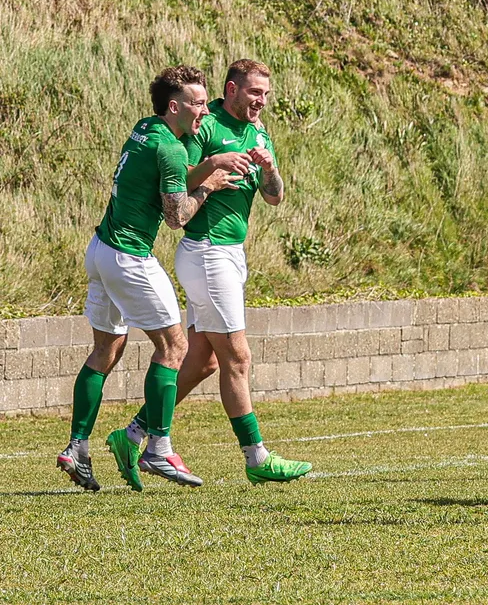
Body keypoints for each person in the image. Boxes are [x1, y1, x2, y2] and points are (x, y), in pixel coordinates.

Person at [108, 60, 312, 489]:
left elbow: (274, 197)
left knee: (203, 361)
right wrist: (214, 164)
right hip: (206, 253)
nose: (261, 101)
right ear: (232, 89)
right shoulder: (204, 123)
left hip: (232, 254)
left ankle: (133, 435)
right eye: (255, 93)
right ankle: (256, 456)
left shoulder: (258, 134)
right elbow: (177, 180)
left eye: (266, 95)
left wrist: (270, 170)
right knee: (238, 358)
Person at [57, 66, 233, 491]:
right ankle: (158, 448)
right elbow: (175, 216)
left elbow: (166, 176)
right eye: (197, 102)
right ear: (175, 106)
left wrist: (205, 164)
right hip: (128, 257)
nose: (204, 109)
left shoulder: (146, 128)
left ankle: (77, 446)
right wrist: (208, 187)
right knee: (174, 346)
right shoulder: (170, 150)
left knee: (105, 350)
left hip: (99, 249)